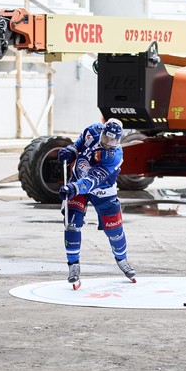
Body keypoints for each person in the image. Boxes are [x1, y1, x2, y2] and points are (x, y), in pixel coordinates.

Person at [57, 118, 137, 290]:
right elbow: (78, 144)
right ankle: (73, 266)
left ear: (119, 140)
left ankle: (122, 259)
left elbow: (92, 180)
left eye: (113, 140)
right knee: (72, 224)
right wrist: (70, 150)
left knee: (114, 231)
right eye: (106, 138)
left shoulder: (114, 156)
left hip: (101, 190)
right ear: (101, 132)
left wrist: (73, 188)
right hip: (76, 182)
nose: (108, 143)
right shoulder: (91, 131)